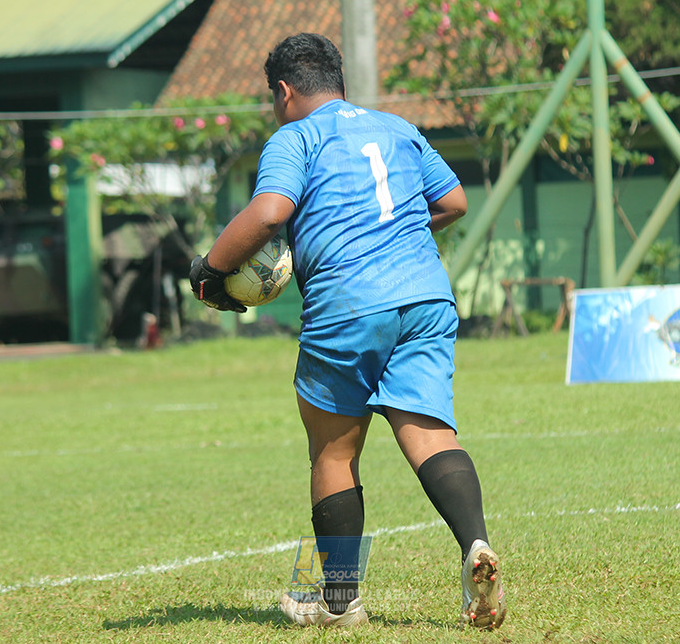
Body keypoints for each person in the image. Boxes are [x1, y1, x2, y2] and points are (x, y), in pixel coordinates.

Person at [189, 32, 505, 630]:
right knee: (431, 434)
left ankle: (337, 603)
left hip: (349, 304)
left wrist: (208, 273)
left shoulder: (295, 137)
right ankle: (476, 547)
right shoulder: (398, 127)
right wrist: (395, 234)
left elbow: (269, 212)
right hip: (425, 296)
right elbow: (455, 200)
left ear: (283, 91)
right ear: (336, 78)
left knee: (334, 450)